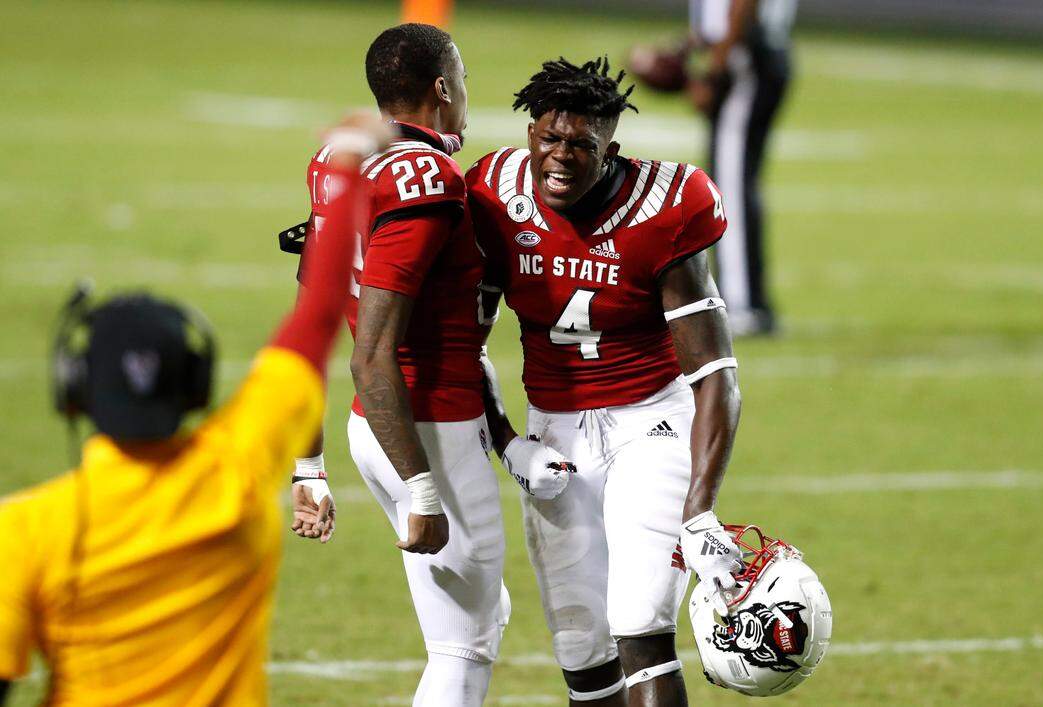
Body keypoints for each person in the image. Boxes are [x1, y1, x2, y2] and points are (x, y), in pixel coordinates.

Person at [0, 115, 387, 704]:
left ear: (73, 390)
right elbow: (316, 319)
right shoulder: (238, 467)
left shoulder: (25, 531)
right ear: (197, 387)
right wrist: (346, 167)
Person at [285, 24, 573, 707]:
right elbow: (370, 354)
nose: (469, 93)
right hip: (428, 434)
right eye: (463, 77)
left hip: (375, 430)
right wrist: (422, 488)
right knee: (463, 649)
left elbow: (310, 322)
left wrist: (307, 466)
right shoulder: (428, 178)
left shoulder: (341, 156)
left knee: (481, 612)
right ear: (442, 87)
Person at [467, 57, 746, 707]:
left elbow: (715, 374)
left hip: (651, 423)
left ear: (610, 148)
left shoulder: (667, 205)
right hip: (554, 429)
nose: (560, 157)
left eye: (581, 145)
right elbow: (462, 344)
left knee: (641, 633)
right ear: (530, 132)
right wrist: (510, 442)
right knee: (582, 651)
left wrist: (699, 508)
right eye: (549, 139)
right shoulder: (494, 192)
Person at [688, 0, 797, 335]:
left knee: (730, 186)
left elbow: (741, 5)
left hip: (746, 57)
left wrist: (715, 70)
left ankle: (742, 305)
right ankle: (750, 301)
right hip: (754, 50)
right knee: (734, 181)